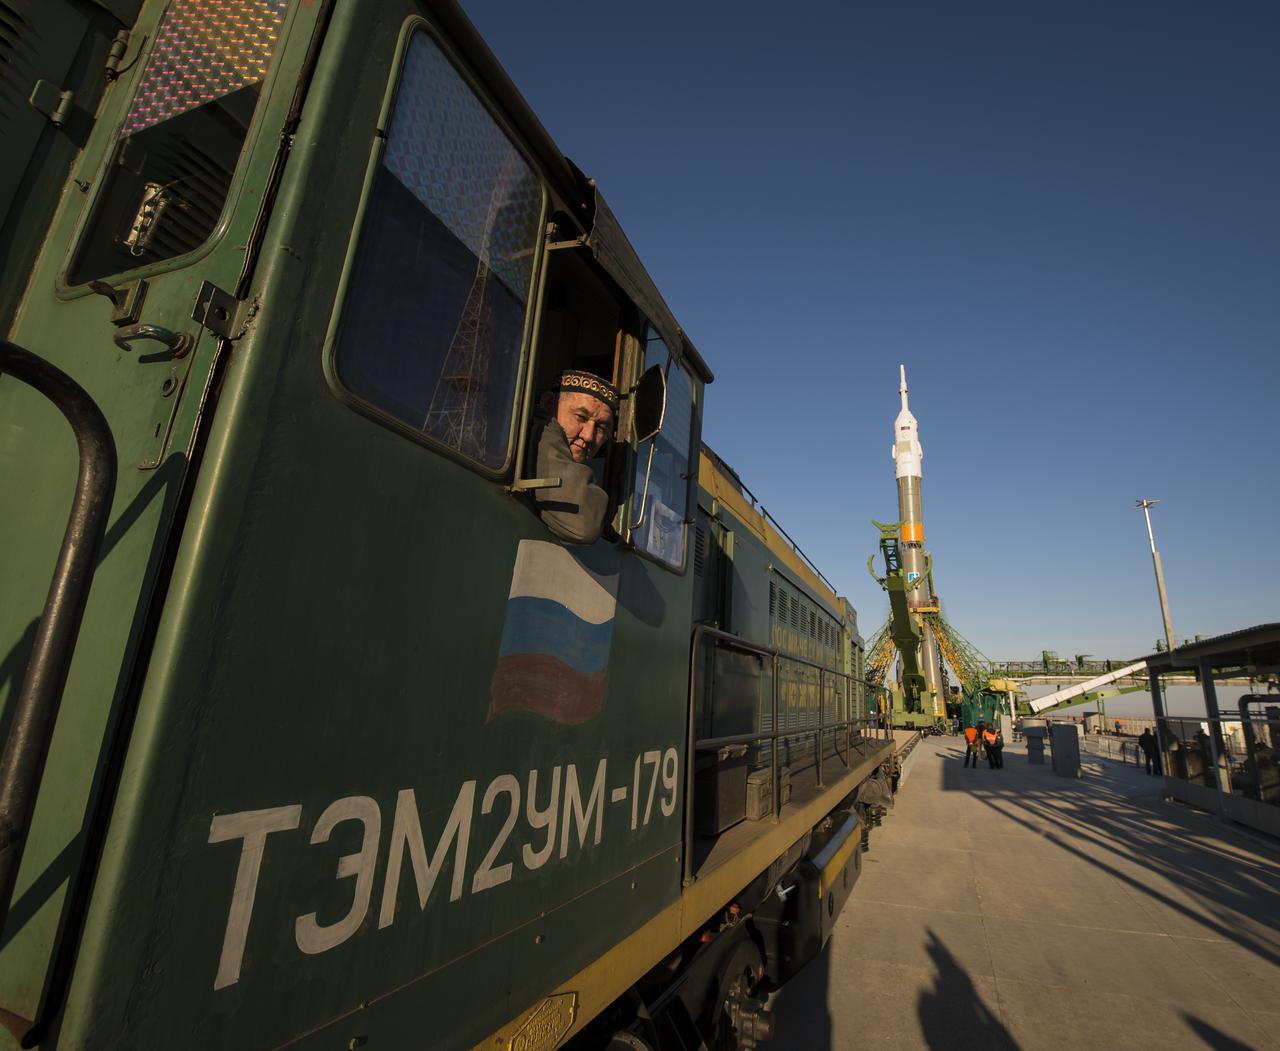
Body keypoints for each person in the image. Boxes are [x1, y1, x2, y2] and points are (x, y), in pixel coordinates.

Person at [531, 370, 618, 545]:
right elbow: (583, 525)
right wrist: (546, 421)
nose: (589, 436)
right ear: (549, 403)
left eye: (601, 427)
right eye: (580, 417)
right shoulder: (534, 431)